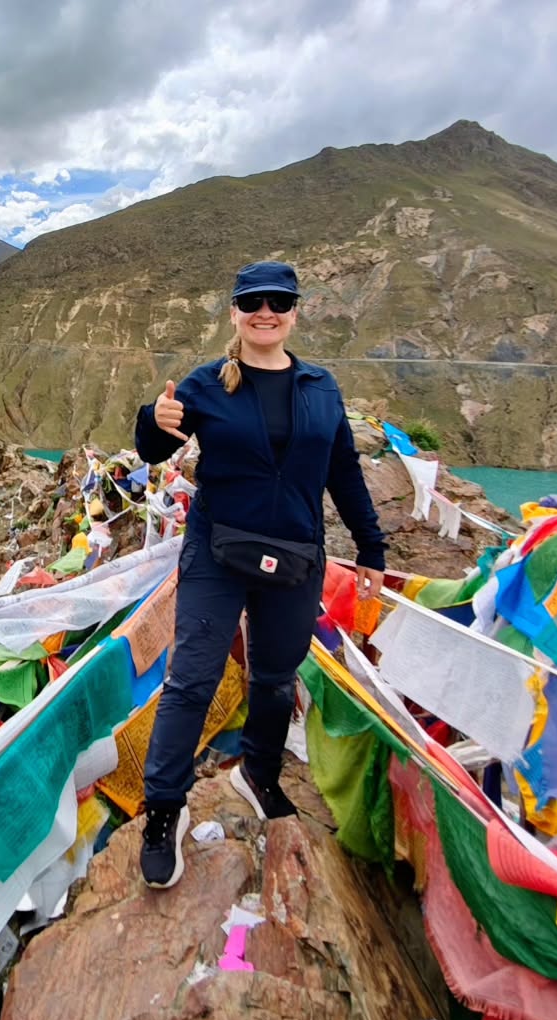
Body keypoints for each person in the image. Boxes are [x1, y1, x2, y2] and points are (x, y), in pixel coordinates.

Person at [133, 260, 386, 889]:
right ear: (235, 313)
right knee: (192, 678)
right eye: (253, 302)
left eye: (278, 301)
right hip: (218, 552)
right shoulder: (206, 384)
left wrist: (371, 548)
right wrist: (152, 420)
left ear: (295, 311)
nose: (265, 311)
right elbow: (155, 449)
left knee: (275, 680)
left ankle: (260, 773)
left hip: (296, 555)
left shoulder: (321, 388)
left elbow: (344, 472)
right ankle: (164, 809)